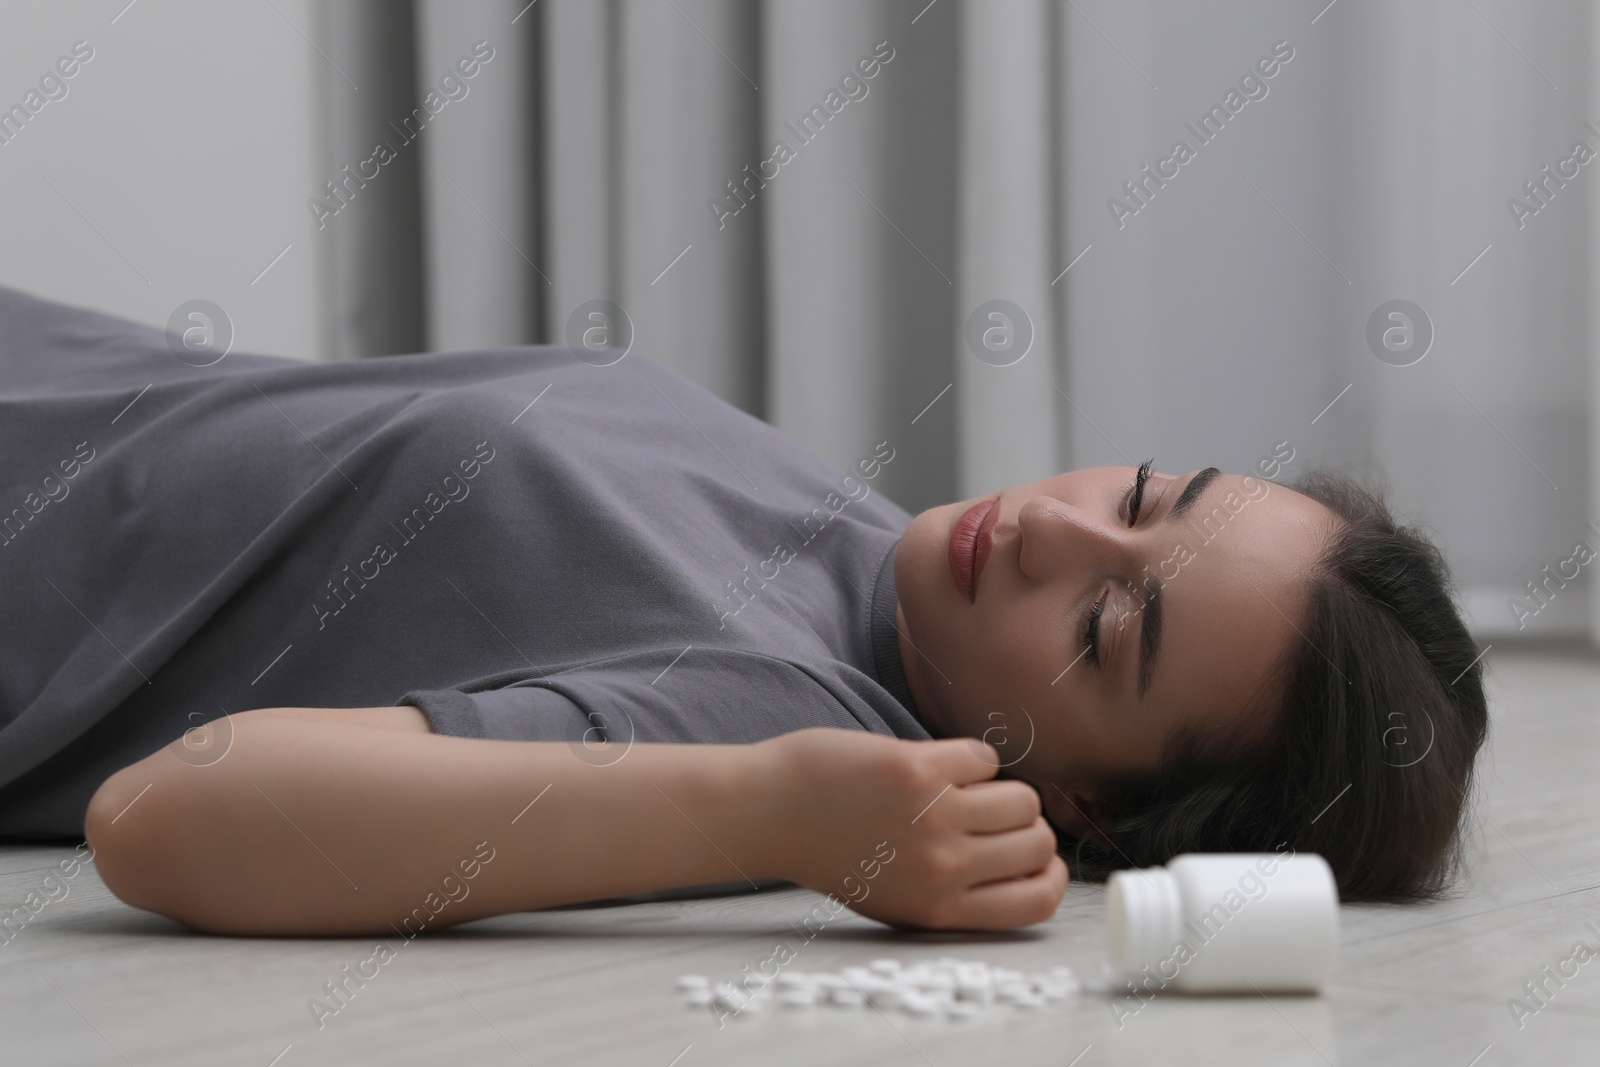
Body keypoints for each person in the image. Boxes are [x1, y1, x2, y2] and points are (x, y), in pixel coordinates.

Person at [0, 286, 1487, 937]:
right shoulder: (867, 547)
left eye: (1106, 632)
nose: (1048, 526)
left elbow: (167, 818)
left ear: (1092, 811)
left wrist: (768, 815)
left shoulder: (789, 709)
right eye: (1145, 494)